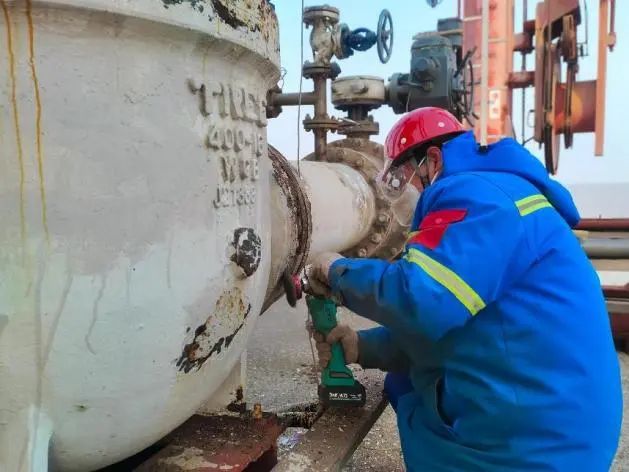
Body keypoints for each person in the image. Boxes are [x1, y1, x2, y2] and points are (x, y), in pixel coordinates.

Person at [307, 107, 622, 471]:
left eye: (402, 179)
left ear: (432, 160)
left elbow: (422, 301)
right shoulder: (502, 190)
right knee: (405, 382)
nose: (403, 196)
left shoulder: (471, 193)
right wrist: (363, 347)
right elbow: (463, 331)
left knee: (411, 391)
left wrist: (339, 271)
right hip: (564, 426)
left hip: (535, 449)